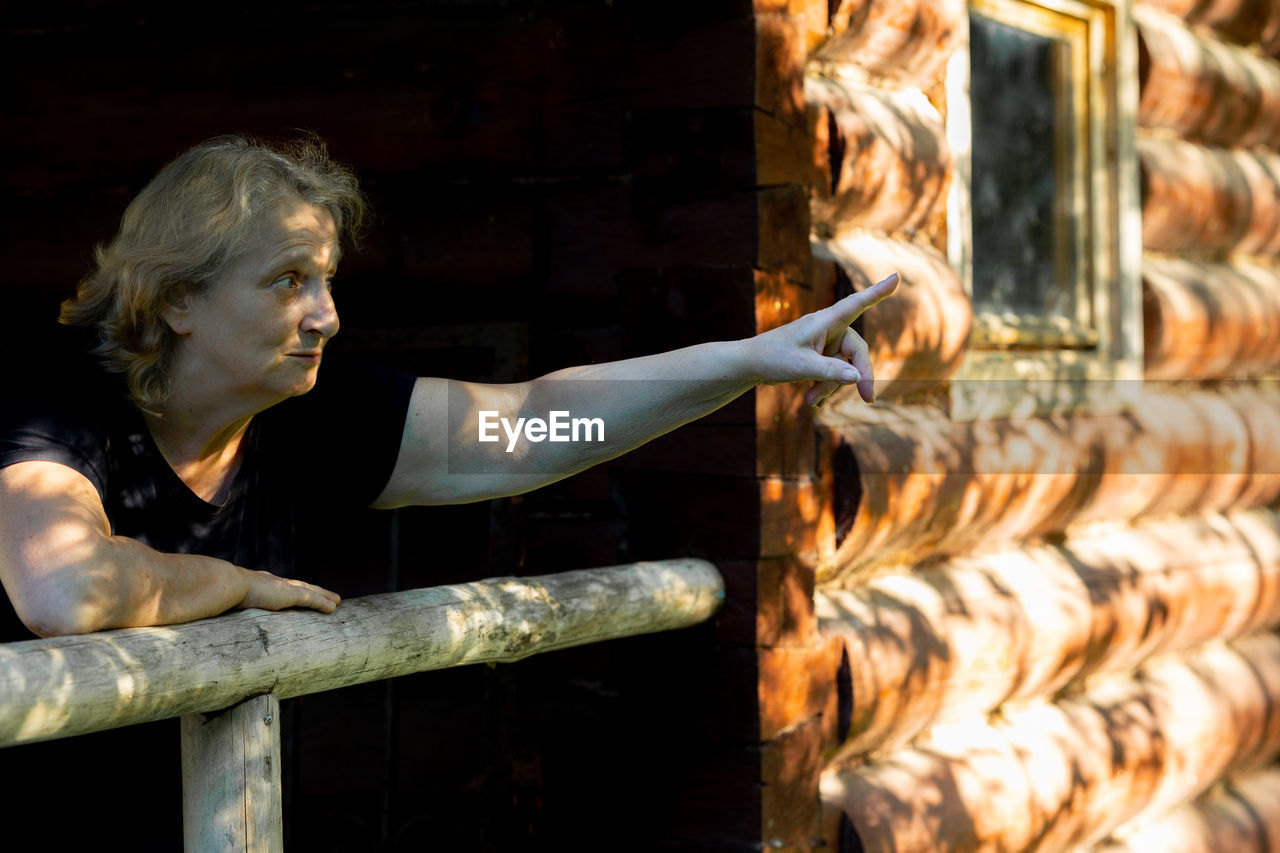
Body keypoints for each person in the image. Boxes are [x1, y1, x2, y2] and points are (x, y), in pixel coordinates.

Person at [0, 135, 897, 638]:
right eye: (288, 282)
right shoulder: (56, 399)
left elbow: (537, 425)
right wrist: (231, 583)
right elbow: (66, 590)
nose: (327, 316)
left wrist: (744, 362)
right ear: (179, 300)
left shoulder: (311, 415)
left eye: (327, 280)